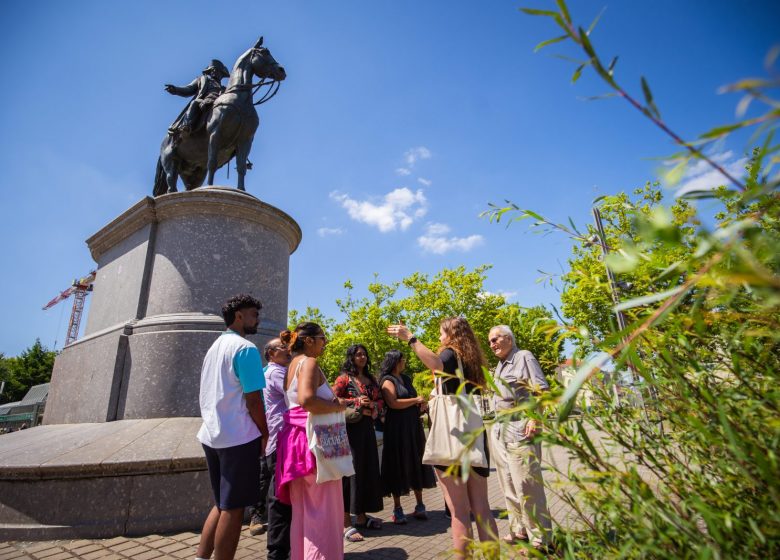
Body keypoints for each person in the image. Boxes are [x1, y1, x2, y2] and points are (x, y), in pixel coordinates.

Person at [387, 318, 498, 557]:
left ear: (451, 334)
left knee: (459, 511)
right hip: (475, 438)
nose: (439, 339)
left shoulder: (450, 353)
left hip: (452, 440)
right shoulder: (471, 360)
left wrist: (411, 339)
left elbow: (435, 364)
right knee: (482, 508)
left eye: (441, 333)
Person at [195, 295, 269, 560]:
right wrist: (265, 432)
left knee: (222, 503)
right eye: (253, 314)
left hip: (212, 434)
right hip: (238, 437)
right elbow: (254, 400)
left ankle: (201, 557)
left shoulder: (214, 347)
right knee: (234, 508)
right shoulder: (245, 349)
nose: (257, 319)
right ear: (239, 316)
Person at [275, 323, 346, 560]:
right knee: (324, 514)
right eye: (322, 338)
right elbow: (307, 400)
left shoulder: (290, 366)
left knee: (303, 512)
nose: (325, 343)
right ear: (308, 341)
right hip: (314, 442)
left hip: (294, 443)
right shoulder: (310, 363)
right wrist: (337, 406)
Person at [488, 325, 552, 551]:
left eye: (495, 339)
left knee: (527, 485)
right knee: (508, 485)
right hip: (500, 431)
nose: (492, 344)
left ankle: (541, 538)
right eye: (489, 341)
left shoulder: (523, 357)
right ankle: (519, 529)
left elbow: (542, 390)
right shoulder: (498, 366)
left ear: (509, 338)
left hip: (520, 428)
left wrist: (535, 418)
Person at [332, 344, 385, 542]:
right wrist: (355, 402)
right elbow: (332, 398)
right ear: (351, 357)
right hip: (349, 431)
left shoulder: (371, 379)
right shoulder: (343, 379)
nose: (362, 357)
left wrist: (373, 406)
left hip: (367, 430)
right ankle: (346, 522)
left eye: (364, 354)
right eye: (358, 354)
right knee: (350, 473)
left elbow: (380, 400)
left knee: (366, 470)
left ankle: (361, 517)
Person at [378, 349, 436, 524]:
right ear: (395, 361)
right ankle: (397, 508)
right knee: (398, 464)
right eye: (403, 359)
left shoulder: (407, 379)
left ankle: (420, 505)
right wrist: (416, 400)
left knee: (417, 461)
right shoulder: (387, 380)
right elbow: (393, 403)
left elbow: (412, 400)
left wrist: (421, 405)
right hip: (396, 429)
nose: (405, 362)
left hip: (413, 426)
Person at [248, 338, 293, 559]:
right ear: (271, 354)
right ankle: (277, 550)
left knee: (279, 494)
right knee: (280, 497)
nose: (288, 350)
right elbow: (296, 397)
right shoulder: (277, 373)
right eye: (283, 348)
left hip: (279, 439)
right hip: (281, 440)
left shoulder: (278, 371)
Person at [166, 59, 231, 135]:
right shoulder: (202, 80)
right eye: (212, 70)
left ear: (221, 74)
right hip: (204, 101)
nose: (213, 71)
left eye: (216, 70)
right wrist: (176, 90)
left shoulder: (224, 88)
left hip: (218, 103)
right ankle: (186, 125)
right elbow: (188, 89)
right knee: (195, 102)